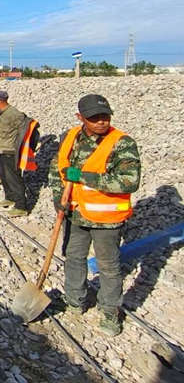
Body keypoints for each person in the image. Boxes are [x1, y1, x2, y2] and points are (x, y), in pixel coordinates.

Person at [49, 94, 140, 337]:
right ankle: (74, 301)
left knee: (108, 266)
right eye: (94, 118)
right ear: (80, 117)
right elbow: (57, 169)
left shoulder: (121, 143)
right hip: (76, 214)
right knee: (73, 258)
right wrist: (58, 198)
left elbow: (129, 181)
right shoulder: (71, 137)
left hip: (106, 220)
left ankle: (110, 312)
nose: (101, 121)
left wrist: (83, 177)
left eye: (105, 116)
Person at [0, 90, 30, 217]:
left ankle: (21, 206)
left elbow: (25, 128)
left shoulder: (14, 114)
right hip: (4, 150)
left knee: (14, 179)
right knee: (4, 175)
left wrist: (19, 147)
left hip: (11, 151)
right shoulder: (5, 113)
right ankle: (10, 197)